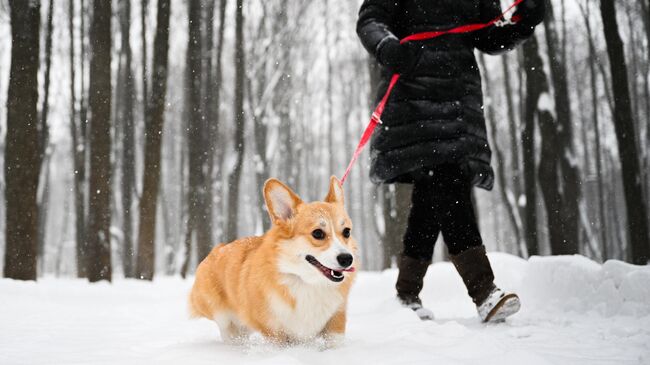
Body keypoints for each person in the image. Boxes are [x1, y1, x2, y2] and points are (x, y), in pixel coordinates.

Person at [356, 0, 545, 322]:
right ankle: (484, 291)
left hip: (459, 102)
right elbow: (371, 20)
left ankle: (406, 295)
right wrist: (388, 47)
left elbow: (488, 36)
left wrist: (523, 23)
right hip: (412, 99)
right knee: (447, 183)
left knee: (431, 198)